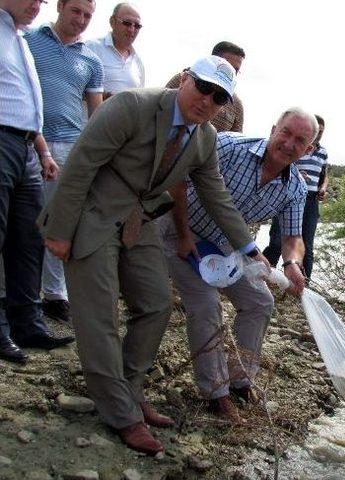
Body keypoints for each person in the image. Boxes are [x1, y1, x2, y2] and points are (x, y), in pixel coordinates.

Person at [39, 55, 261, 456]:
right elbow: (82, 164)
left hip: (137, 220)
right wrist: (58, 231)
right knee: (99, 314)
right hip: (93, 213)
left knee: (157, 304)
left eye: (219, 97)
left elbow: (216, 197)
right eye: (204, 88)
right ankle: (121, 414)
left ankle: (128, 389)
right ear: (186, 79)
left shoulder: (205, 138)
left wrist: (250, 250)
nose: (207, 100)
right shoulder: (131, 105)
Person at [160, 108, 315, 423]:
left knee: (260, 301)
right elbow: (175, 181)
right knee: (206, 305)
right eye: (286, 132)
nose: (289, 143)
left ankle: (240, 379)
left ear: (308, 150)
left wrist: (292, 263)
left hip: (225, 249)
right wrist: (185, 236)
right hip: (177, 231)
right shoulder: (229, 147)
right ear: (273, 128)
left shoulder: (296, 187)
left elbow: (292, 237)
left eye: (300, 140)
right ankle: (215, 393)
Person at [0, 0, 74, 364]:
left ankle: (27, 322)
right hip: (1, 138)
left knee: (28, 238)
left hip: (26, 144)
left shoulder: (18, 36)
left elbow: (25, 101)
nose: (37, 5)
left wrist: (42, 152)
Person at [25, 0, 104, 324]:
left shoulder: (91, 60)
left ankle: (55, 295)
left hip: (72, 147)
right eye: (76, 11)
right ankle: (14, 294)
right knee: (22, 218)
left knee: (61, 222)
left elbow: (97, 113)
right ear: (59, 7)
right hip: (28, 140)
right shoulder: (29, 40)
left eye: (88, 15)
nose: (81, 20)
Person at [263, 114, 329, 279]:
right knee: (277, 240)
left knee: (307, 244)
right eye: (317, 131)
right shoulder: (297, 145)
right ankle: (264, 273)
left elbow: (325, 174)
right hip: (289, 195)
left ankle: (304, 283)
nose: (319, 134)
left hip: (311, 200)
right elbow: (283, 163)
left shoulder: (323, 153)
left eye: (321, 132)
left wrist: (323, 187)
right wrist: (297, 174)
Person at [166, 41, 245, 133]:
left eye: (220, 99)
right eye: (203, 88)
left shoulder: (236, 106)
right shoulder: (182, 80)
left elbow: (236, 142)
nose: (229, 71)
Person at [86, 2, 145, 98]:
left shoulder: (138, 62)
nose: (132, 29)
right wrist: (106, 96)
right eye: (127, 23)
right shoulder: (91, 48)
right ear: (112, 22)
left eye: (137, 26)